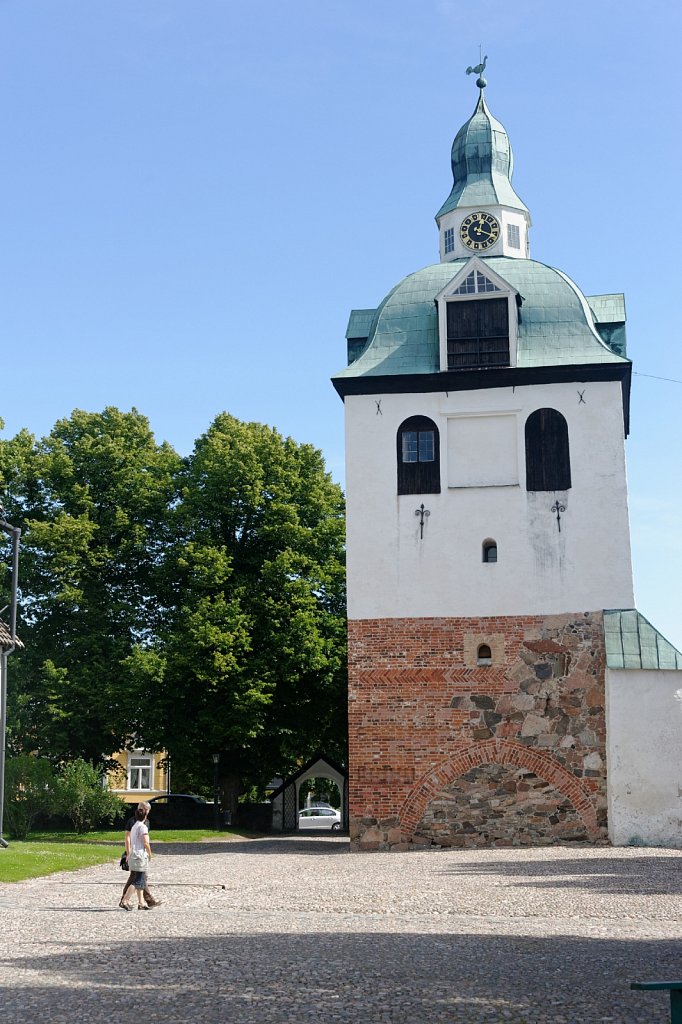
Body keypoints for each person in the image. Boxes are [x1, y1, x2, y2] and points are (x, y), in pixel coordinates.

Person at [119, 802, 161, 910]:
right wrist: (149, 854)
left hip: (135, 854)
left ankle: (142, 902)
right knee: (138, 879)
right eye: (146, 810)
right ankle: (125, 900)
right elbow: (145, 842)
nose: (147, 812)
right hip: (139, 855)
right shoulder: (140, 825)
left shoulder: (137, 825)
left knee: (140, 878)